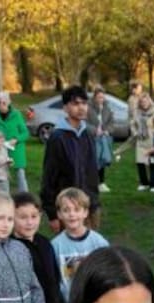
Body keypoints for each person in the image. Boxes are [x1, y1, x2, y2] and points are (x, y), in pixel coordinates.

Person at [41, 86, 101, 233]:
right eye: (75, 104)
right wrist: (52, 214)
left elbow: (92, 172)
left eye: (84, 103)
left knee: (92, 251)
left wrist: (94, 203)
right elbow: (49, 176)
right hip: (68, 209)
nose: (81, 108)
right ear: (65, 108)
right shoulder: (57, 138)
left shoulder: (87, 134)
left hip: (88, 206)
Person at [52, 187, 111, 303]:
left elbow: (108, 274)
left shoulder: (99, 243)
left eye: (76, 209)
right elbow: (54, 280)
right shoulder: (55, 246)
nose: (72, 214)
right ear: (59, 214)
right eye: (66, 210)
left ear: (85, 212)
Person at [0, 91, 30, 192]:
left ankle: (24, 197)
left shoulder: (17, 115)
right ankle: (5, 198)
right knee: (3, 176)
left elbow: (25, 133)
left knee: (20, 175)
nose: (2, 105)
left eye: (4, 102)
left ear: (9, 102)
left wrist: (16, 139)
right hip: (1, 150)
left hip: (16, 149)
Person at [130, 93, 154, 193]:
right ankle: (144, 183)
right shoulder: (136, 112)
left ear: (149, 101)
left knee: (152, 163)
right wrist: (135, 132)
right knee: (140, 162)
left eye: (145, 101)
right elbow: (132, 124)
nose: (143, 103)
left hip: (152, 141)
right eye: (141, 102)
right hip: (140, 141)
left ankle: (153, 184)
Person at [87, 87, 115, 192]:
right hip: (92, 138)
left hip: (104, 138)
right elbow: (84, 123)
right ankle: (91, 182)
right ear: (94, 97)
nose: (101, 99)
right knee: (93, 160)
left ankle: (101, 183)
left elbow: (111, 123)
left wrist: (107, 130)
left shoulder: (107, 108)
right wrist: (95, 130)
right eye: (99, 97)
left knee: (103, 160)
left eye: (102, 97)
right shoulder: (88, 108)